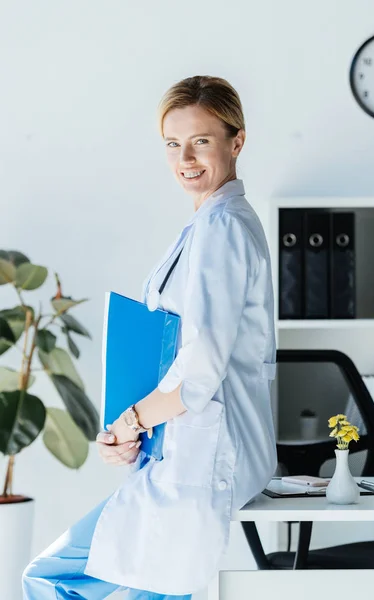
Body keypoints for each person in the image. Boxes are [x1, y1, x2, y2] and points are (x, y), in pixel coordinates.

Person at [22, 75, 277, 599]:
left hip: (195, 467)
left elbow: (199, 369)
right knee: (58, 578)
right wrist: (131, 433)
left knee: (49, 579)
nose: (185, 157)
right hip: (174, 457)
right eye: (172, 144)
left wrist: (131, 421)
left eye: (200, 140)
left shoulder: (223, 227)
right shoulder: (208, 224)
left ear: (237, 141)